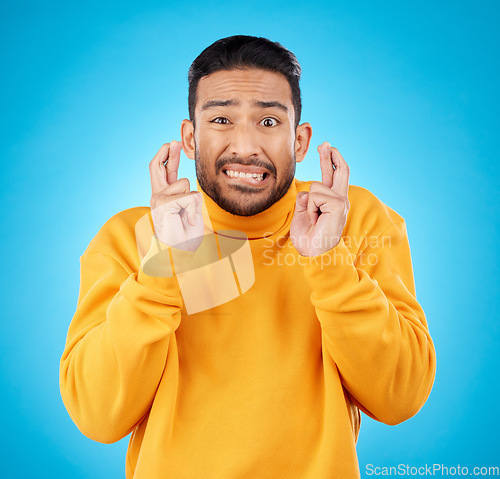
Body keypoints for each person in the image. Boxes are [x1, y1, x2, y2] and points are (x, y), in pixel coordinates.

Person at [60, 35, 436, 478]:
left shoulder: (354, 221)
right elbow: (97, 415)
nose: (245, 145)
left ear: (299, 141)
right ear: (190, 137)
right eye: (221, 118)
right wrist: (163, 267)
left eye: (269, 122)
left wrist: (328, 262)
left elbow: (401, 396)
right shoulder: (133, 237)